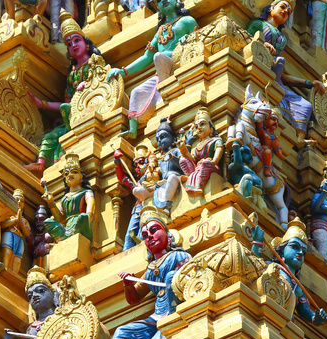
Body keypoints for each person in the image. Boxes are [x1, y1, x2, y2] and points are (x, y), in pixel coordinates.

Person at [96, 209, 191, 339]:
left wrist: (172, 281)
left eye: (154, 230)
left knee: (171, 278)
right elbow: (135, 298)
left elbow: (189, 281)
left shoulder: (178, 256)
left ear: (168, 235)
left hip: (175, 308)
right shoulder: (150, 270)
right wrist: (128, 284)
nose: (150, 237)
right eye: (145, 235)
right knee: (121, 331)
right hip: (156, 317)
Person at [109, 0, 197, 140]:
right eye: (159, 0)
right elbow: (146, 58)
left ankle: (167, 95)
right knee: (136, 92)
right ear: (157, 7)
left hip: (181, 63)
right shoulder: (159, 32)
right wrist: (123, 71)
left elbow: (198, 40)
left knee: (159, 57)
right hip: (161, 71)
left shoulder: (187, 21)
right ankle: (133, 129)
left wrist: (187, 41)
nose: (164, 1)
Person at [26, 18, 102, 175]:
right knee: (50, 135)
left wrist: (87, 87)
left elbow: (103, 83)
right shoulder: (71, 76)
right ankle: (41, 164)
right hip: (73, 114)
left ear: (86, 44)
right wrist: (42, 104)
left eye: (76, 40)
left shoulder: (95, 62)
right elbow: (66, 104)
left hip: (93, 108)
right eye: (69, 43)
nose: (73, 45)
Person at [246, 1, 324, 140]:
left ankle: (299, 139)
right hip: (257, 66)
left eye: (288, 12)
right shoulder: (259, 24)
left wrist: (309, 83)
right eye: (282, 7)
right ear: (271, 8)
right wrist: (263, 43)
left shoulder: (282, 38)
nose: (285, 12)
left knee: (305, 105)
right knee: (280, 61)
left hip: (276, 78)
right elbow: (245, 37)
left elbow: (281, 75)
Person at [42, 153, 95, 243]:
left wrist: (86, 220)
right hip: (66, 228)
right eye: (66, 173)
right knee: (48, 221)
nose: (70, 175)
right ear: (65, 180)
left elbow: (90, 209)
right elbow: (61, 219)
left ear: (81, 177)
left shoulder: (86, 192)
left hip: (81, 226)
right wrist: (51, 202)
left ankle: (74, 234)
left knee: (82, 217)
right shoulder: (64, 199)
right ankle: (63, 237)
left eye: (74, 172)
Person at [178, 109, 225, 195]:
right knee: (182, 160)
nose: (199, 127)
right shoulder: (197, 146)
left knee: (205, 163)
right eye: (196, 126)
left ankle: (199, 186)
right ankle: (190, 178)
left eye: (202, 124)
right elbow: (193, 160)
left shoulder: (216, 141)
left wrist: (213, 161)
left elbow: (217, 157)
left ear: (211, 129)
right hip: (199, 167)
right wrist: (183, 149)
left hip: (211, 167)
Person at [0, 189, 31, 273]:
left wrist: (21, 223)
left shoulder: (24, 220)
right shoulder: (8, 214)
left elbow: (27, 233)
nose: (19, 202)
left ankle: (13, 275)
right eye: (17, 199)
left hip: (19, 238)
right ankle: (4, 268)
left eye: (22, 201)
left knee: (18, 258)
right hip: (9, 233)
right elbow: (2, 224)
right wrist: (15, 221)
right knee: (7, 251)